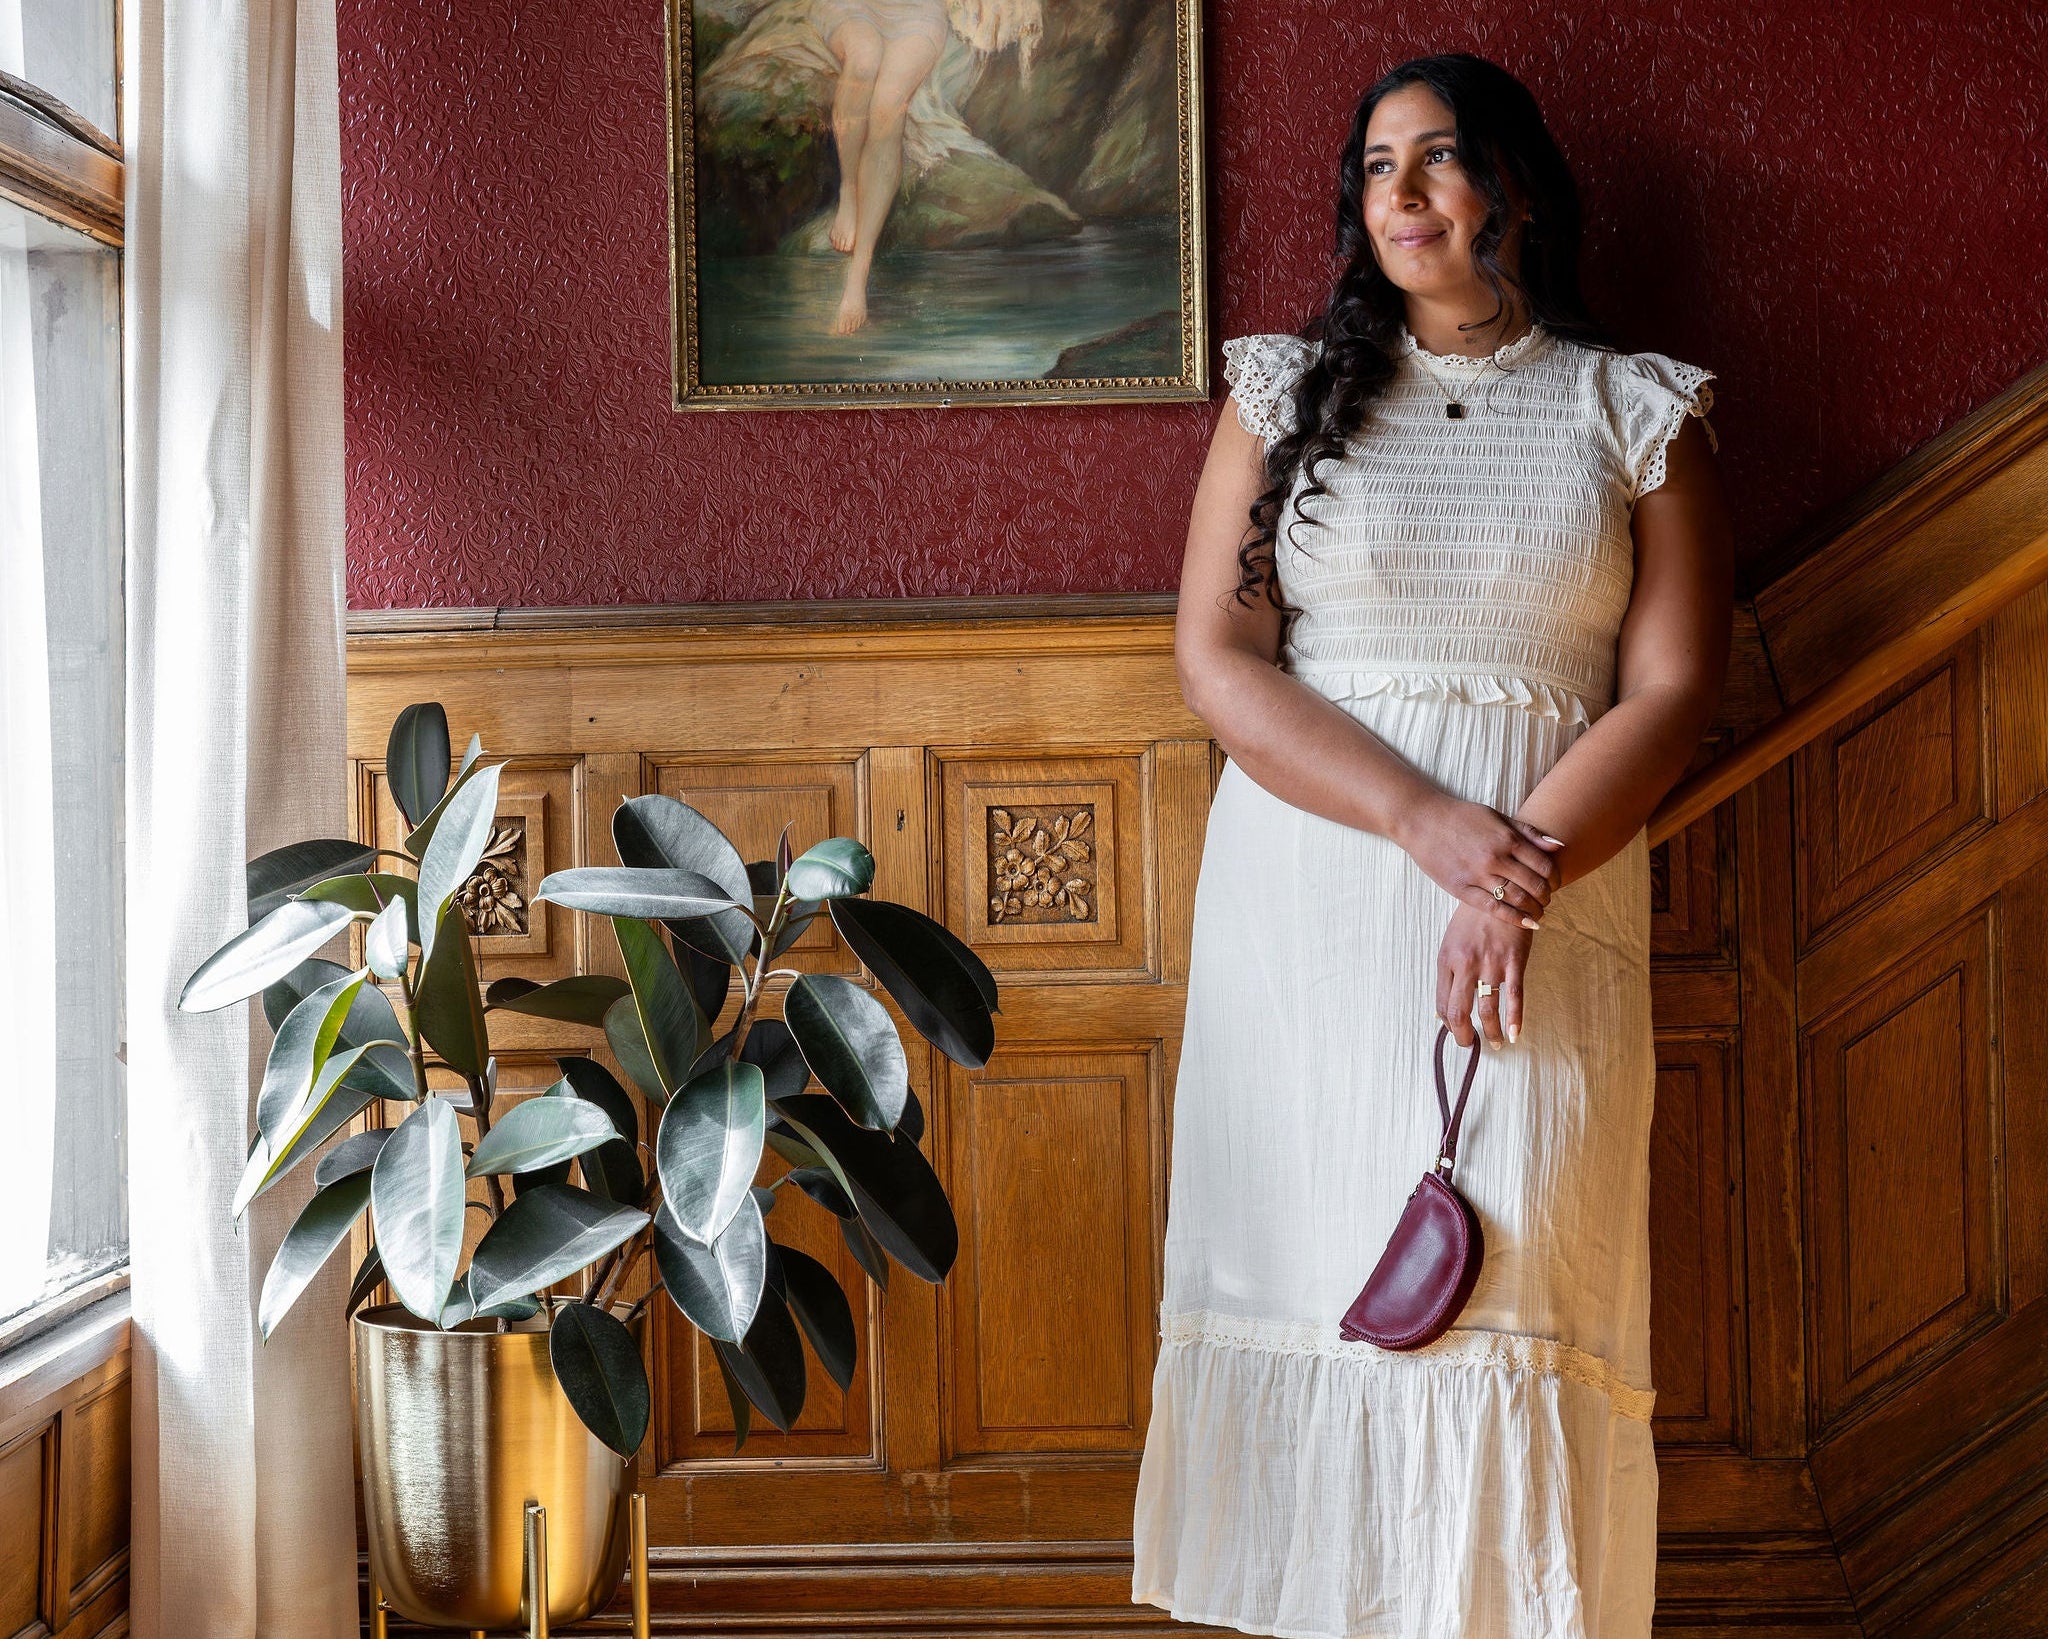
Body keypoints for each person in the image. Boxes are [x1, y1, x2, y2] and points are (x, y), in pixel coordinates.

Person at [1130, 51, 1733, 1639]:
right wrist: (1429, 826)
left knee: (1514, 1277)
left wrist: (1514, 869)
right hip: (1315, 908)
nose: (1400, 192)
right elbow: (1218, 661)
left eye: (1440, 156)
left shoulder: (1634, 407)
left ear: (1515, 189)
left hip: (1552, 909)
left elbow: (1675, 688)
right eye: (1376, 165)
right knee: (1329, 1285)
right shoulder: (1283, 395)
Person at [809, 0, 951, 334]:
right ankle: (849, 190)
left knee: (888, 106)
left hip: (919, 12)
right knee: (864, 61)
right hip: (854, 6)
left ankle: (858, 275)